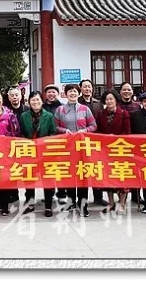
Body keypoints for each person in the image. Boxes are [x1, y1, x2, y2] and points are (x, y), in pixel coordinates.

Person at [53, 83, 97, 217]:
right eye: (70, 91)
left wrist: (84, 130)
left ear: (79, 93)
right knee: (70, 175)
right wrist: (64, 130)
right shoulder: (60, 110)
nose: (72, 93)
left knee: (82, 175)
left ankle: (83, 204)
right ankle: (71, 201)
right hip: (67, 148)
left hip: (82, 148)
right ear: (65, 94)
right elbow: (55, 127)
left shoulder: (85, 109)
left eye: (75, 91)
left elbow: (93, 126)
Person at [18, 91, 57, 216]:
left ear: (42, 101)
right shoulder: (24, 116)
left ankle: (48, 206)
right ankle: (30, 204)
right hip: (29, 152)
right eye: (33, 100)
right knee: (29, 179)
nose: (35, 102)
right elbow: (21, 132)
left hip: (45, 152)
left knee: (48, 180)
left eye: (38, 100)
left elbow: (53, 133)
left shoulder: (49, 116)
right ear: (29, 102)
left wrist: (44, 143)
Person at [95, 89, 131, 214]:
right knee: (108, 176)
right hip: (105, 150)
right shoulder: (101, 114)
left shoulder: (124, 114)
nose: (109, 101)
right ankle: (111, 203)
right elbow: (98, 131)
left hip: (120, 149)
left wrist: (115, 138)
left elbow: (127, 132)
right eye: (107, 99)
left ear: (116, 100)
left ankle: (122, 203)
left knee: (122, 176)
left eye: (111, 99)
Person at [79, 78, 107, 207]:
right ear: (80, 89)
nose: (87, 89)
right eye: (84, 86)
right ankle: (82, 198)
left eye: (89, 86)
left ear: (92, 88)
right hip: (80, 141)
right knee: (82, 169)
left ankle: (98, 197)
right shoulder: (77, 102)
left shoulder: (98, 103)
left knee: (96, 169)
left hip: (96, 140)